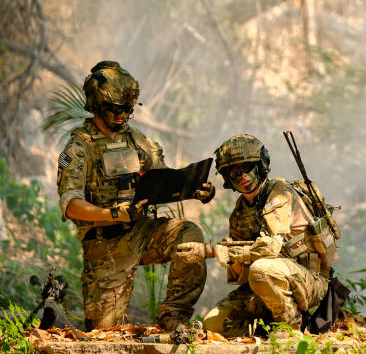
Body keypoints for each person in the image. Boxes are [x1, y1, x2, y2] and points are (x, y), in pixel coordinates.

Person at [56, 61, 213, 330]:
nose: (122, 116)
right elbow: (71, 205)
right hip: (104, 247)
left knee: (189, 235)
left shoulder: (137, 140)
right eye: (116, 109)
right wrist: (111, 214)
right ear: (96, 104)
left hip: (143, 231)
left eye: (128, 110)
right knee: (103, 335)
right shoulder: (79, 146)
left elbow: (163, 180)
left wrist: (194, 191)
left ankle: (174, 316)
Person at [177, 135, 330, 337]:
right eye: (234, 172)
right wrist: (231, 257)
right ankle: (267, 331)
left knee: (262, 268)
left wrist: (209, 251)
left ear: (262, 166)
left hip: (309, 279)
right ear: (226, 178)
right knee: (214, 324)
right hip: (267, 284)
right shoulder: (240, 210)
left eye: (248, 167)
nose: (242, 176)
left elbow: (269, 248)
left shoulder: (279, 194)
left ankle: (291, 329)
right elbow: (241, 273)